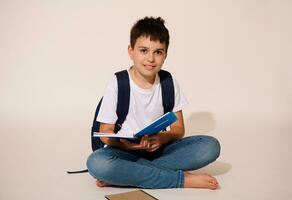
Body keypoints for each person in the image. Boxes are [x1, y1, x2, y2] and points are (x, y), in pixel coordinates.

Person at [86, 16, 220, 189]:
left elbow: (178, 130)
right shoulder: (117, 83)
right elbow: (105, 132)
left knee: (210, 147)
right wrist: (126, 144)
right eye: (143, 50)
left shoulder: (168, 82)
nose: (151, 58)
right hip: (123, 152)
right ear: (131, 51)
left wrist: (161, 138)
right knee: (97, 163)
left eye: (158, 52)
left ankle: (125, 176)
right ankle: (181, 180)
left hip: (158, 151)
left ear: (165, 55)